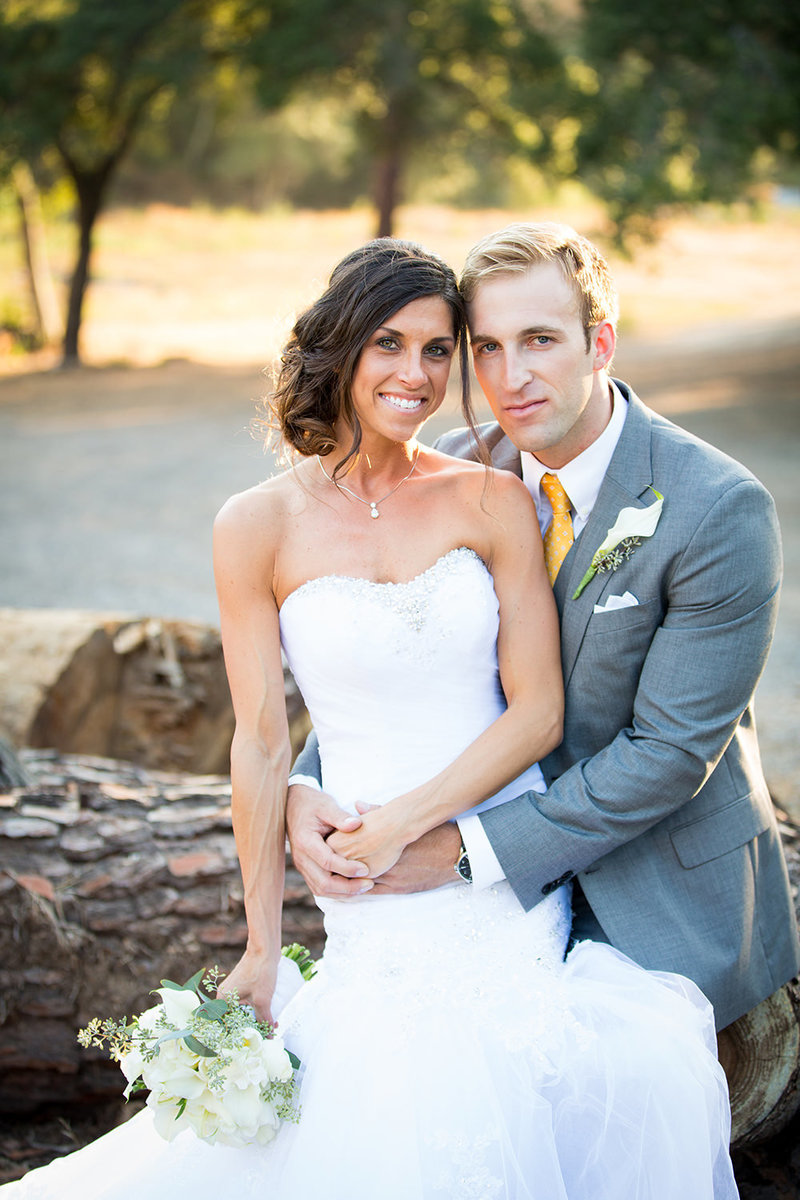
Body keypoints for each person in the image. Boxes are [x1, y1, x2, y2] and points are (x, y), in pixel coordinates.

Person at [0, 238, 738, 1199]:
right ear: (339, 347)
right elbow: (262, 739)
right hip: (360, 892)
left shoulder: (489, 495)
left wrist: (405, 823)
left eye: (439, 351)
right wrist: (263, 945)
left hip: (492, 867)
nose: (417, 374)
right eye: (390, 343)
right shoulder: (253, 524)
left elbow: (539, 711)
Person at [288, 222, 800, 1036]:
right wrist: (305, 785)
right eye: (485, 347)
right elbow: (400, 652)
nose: (511, 377)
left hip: (651, 886)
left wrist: (463, 851)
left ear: (601, 343)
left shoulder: (717, 510)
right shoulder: (459, 466)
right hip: (465, 873)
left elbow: (668, 755)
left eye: (539, 340)